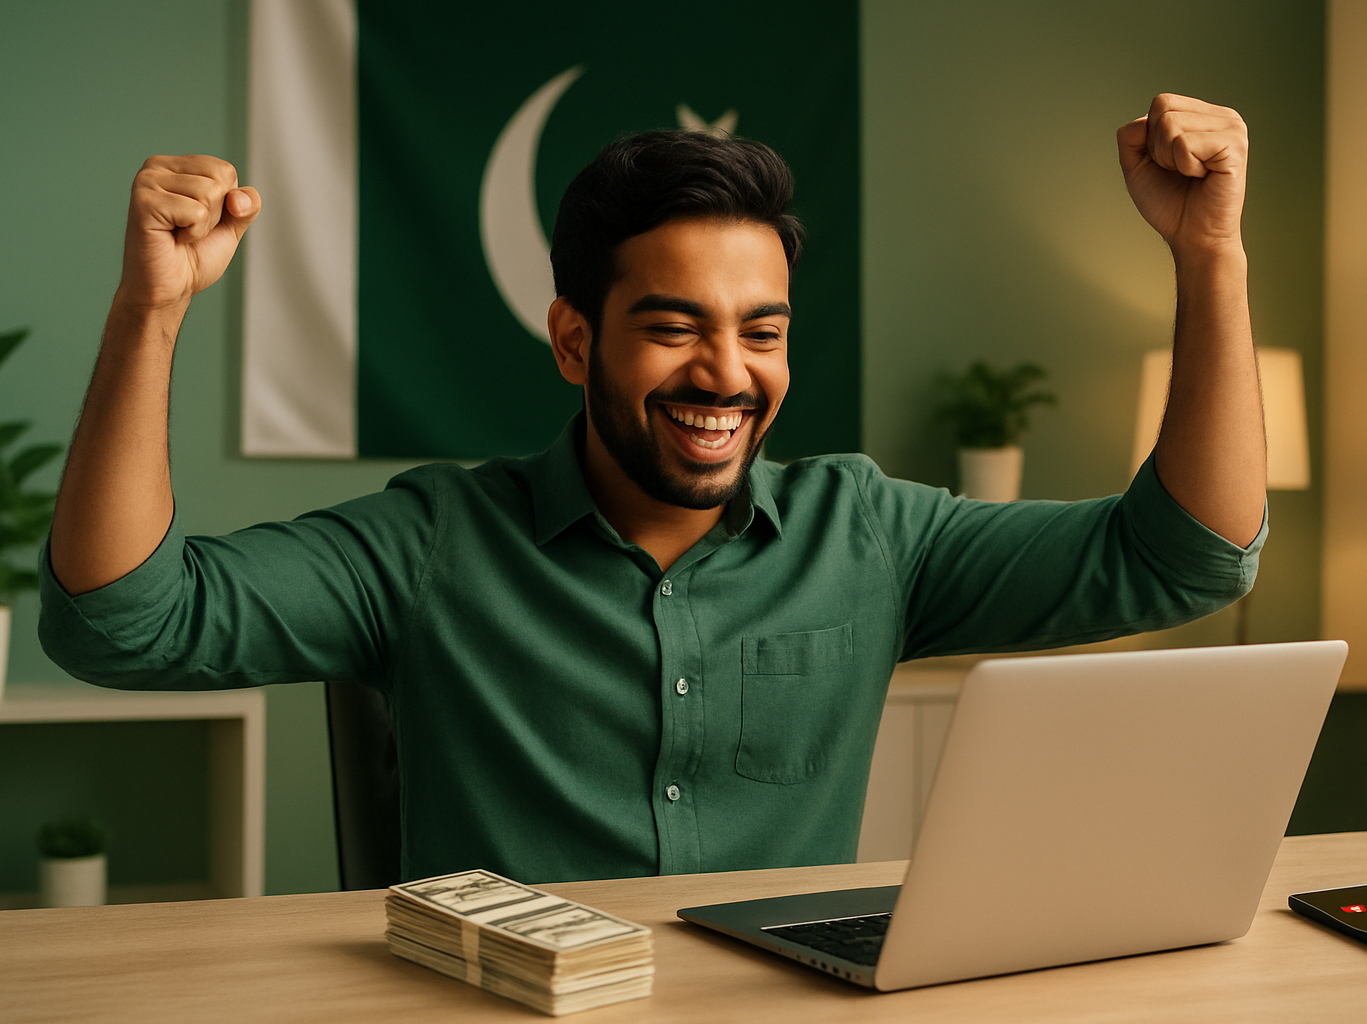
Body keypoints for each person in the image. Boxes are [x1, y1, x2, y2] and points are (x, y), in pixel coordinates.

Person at [40, 94, 1266, 884]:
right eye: (674, 328)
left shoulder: (871, 533)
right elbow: (123, 620)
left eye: (763, 331)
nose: (725, 373)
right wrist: (151, 310)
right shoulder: (430, 542)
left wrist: (1210, 255)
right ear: (577, 344)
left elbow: (1188, 556)